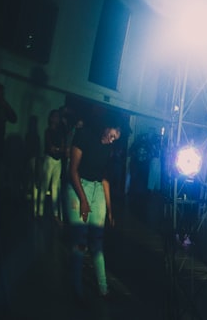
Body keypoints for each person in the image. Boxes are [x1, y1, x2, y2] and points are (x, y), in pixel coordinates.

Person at [66, 117, 122, 299]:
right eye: (112, 135)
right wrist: (83, 200)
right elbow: (72, 170)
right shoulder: (84, 136)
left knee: (97, 241)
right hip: (78, 185)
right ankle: (76, 287)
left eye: (115, 139)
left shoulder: (109, 148)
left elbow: (104, 179)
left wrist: (110, 209)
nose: (112, 140)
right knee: (80, 241)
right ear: (106, 127)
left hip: (97, 187)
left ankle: (103, 288)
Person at [37, 108, 68, 221]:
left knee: (55, 187)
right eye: (54, 116)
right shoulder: (48, 131)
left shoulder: (60, 132)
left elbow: (62, 147)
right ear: (50, 118)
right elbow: (51, 148)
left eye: (57, 117)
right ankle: (40, 213)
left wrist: (59, 149)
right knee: (44, 186)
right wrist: (57, 149)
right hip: (49, 159)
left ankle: (55, 214)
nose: (57, 118)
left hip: (58, 160)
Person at [0, 82, 18, 196]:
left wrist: (5, 105)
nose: (1, 95)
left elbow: (14, 118)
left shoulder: (3, 106)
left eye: (2, 94)